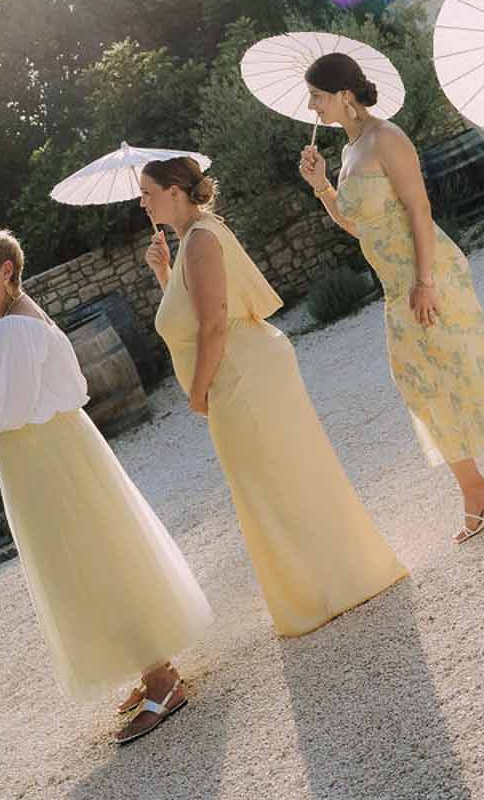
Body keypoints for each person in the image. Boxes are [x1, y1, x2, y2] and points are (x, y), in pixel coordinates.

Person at [0, 228, 210, 745]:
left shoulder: (10, 331)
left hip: (44, 460)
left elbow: (10, 411)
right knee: (100, 553)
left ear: (6, 270)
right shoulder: (25, 319)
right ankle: (151, 666)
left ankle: (162, 677)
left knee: (89, 561)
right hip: (60, 450)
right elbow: (48, 389)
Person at [142, 156, 407, 634]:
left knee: (278, 479)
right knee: (273, 481)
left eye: (148, 192)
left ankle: (334, 583)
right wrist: (164, 273)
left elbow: (214, 323)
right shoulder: (191, 241)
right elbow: (189, 311)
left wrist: (198, 392)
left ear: (176, 190)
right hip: (245, 373)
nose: (142, 201)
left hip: (242, 378)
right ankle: (322, 582)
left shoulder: (201, 239)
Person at [297, 52, 484, 543]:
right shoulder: (349, 151)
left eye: (318, 96)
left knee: (471, 370)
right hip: (393, 285)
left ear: (345, 95)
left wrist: (425, 280)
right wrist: (322, 185)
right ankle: (475, 489)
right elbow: (358, 225)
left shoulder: (387, 138)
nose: (312, 106)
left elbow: (419, 206)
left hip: (429, 274)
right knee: (421, 384)